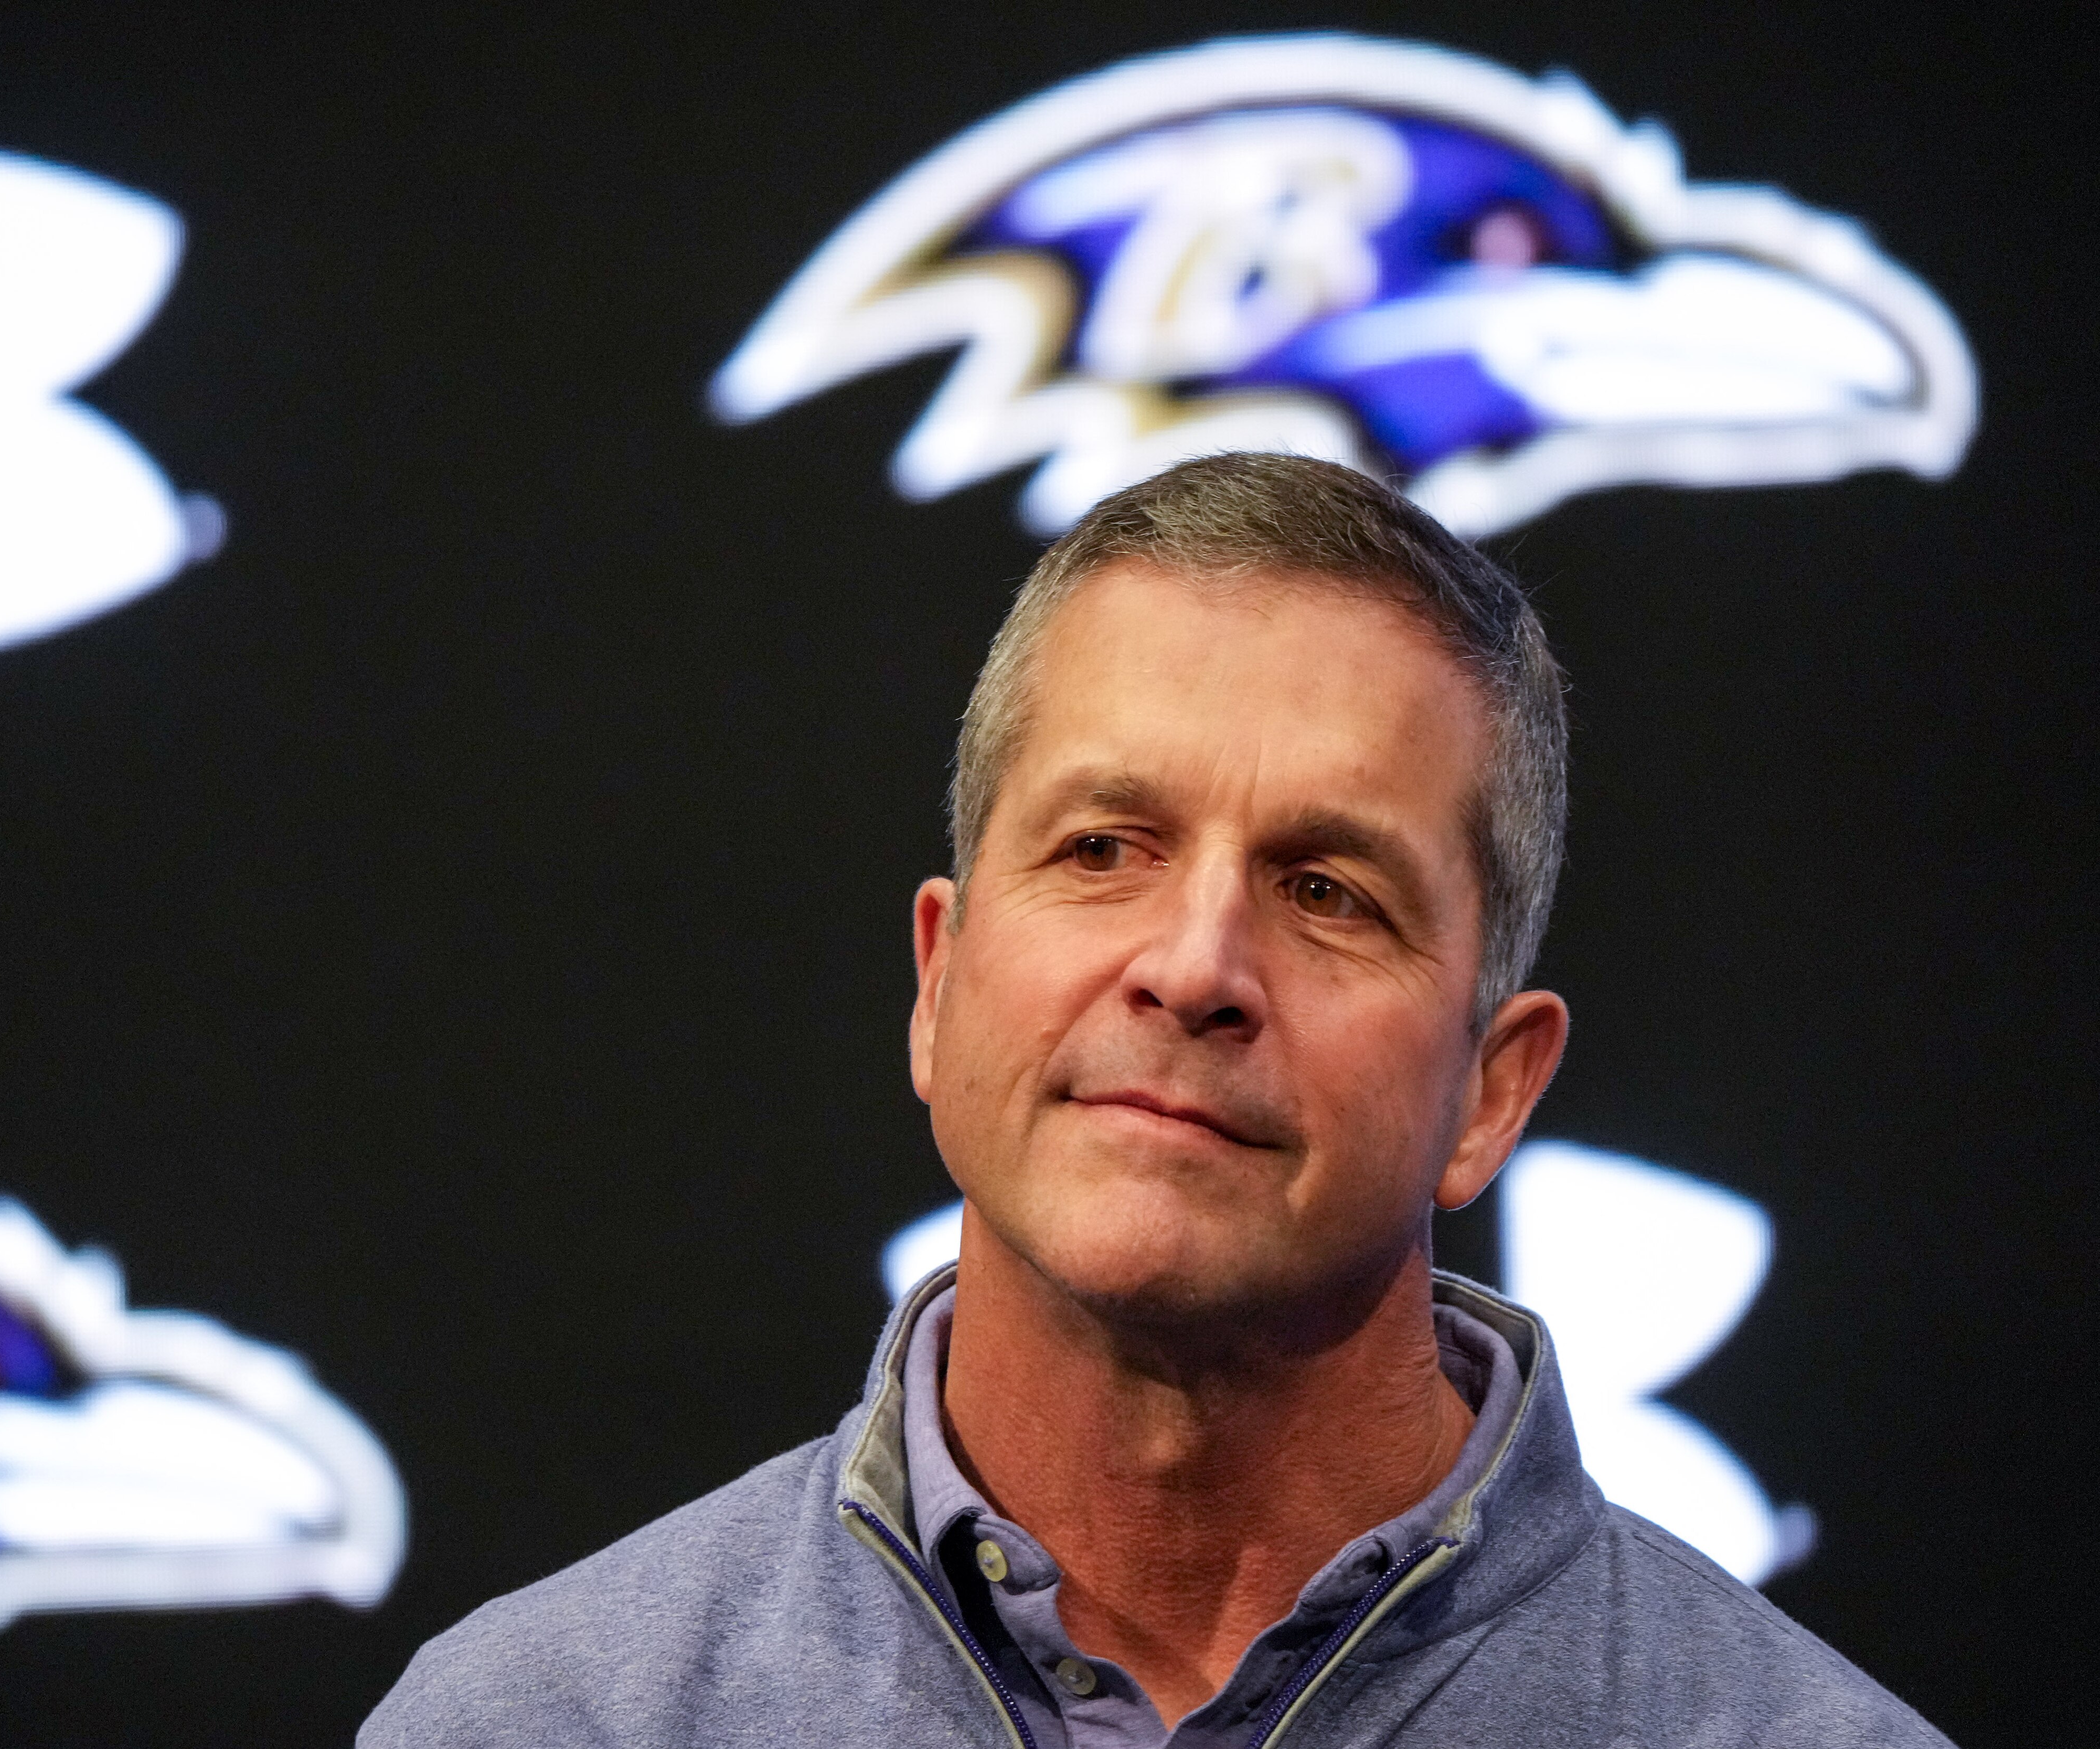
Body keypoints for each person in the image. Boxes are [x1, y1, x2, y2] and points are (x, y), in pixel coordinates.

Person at [361, 454, 1948, 1747]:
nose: (1196, 968)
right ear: (939, 979)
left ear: (1490, 1088)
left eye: (1328, 890)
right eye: (1103, 849)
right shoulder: (545, 1723)